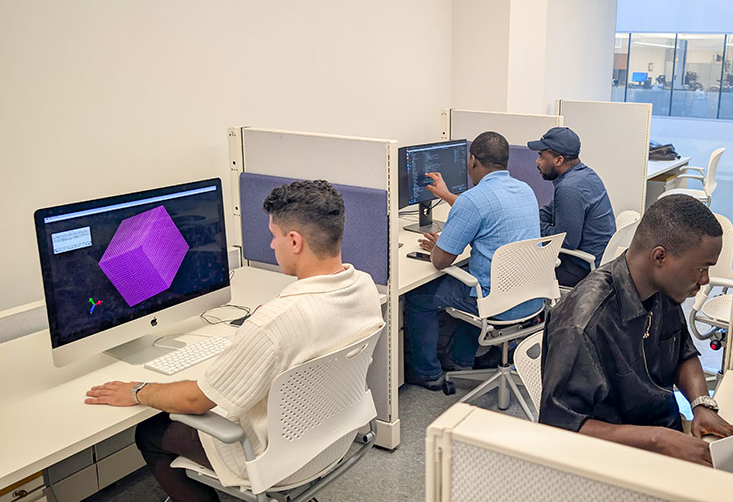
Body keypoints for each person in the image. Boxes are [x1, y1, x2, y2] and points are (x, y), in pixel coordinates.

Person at [85, 180, 384, 501]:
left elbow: (195, 401)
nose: (272, 245)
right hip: (330, 436)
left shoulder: (275, 321)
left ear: (294, 241)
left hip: (274, 458)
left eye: (274, 236)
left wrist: (137, 390)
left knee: (150, 431)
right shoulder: (364, 285)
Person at [538, 194, 733, 467]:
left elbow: (683, 352)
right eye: (700, 269)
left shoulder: (663, 289)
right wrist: (658, 440)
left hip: (661, 435)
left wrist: (701, 404)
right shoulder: (584, 324)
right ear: (660, 256)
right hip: (613, 460)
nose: (705, 281)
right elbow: (559, 428)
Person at [405, 131, 542, 390]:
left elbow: (441, 262)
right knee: (472, 278)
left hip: (496, 302)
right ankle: (460, 359)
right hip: (530, 297)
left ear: (473, 161)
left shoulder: (473, 200)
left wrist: (437, 247)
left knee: (419, 297)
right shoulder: (525, 190)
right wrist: (447, 196)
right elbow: (486, 211)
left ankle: (428, 373)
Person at [528, 127, 615, 287]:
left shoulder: (569, 188)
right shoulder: (585, 175)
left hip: (583, 269)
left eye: (541, 156)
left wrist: (534, 226)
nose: (537, 161)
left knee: (522, 270)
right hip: (599, 260)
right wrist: (529, 217)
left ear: (559, 160)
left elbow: (567, 241)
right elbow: (550, 210)